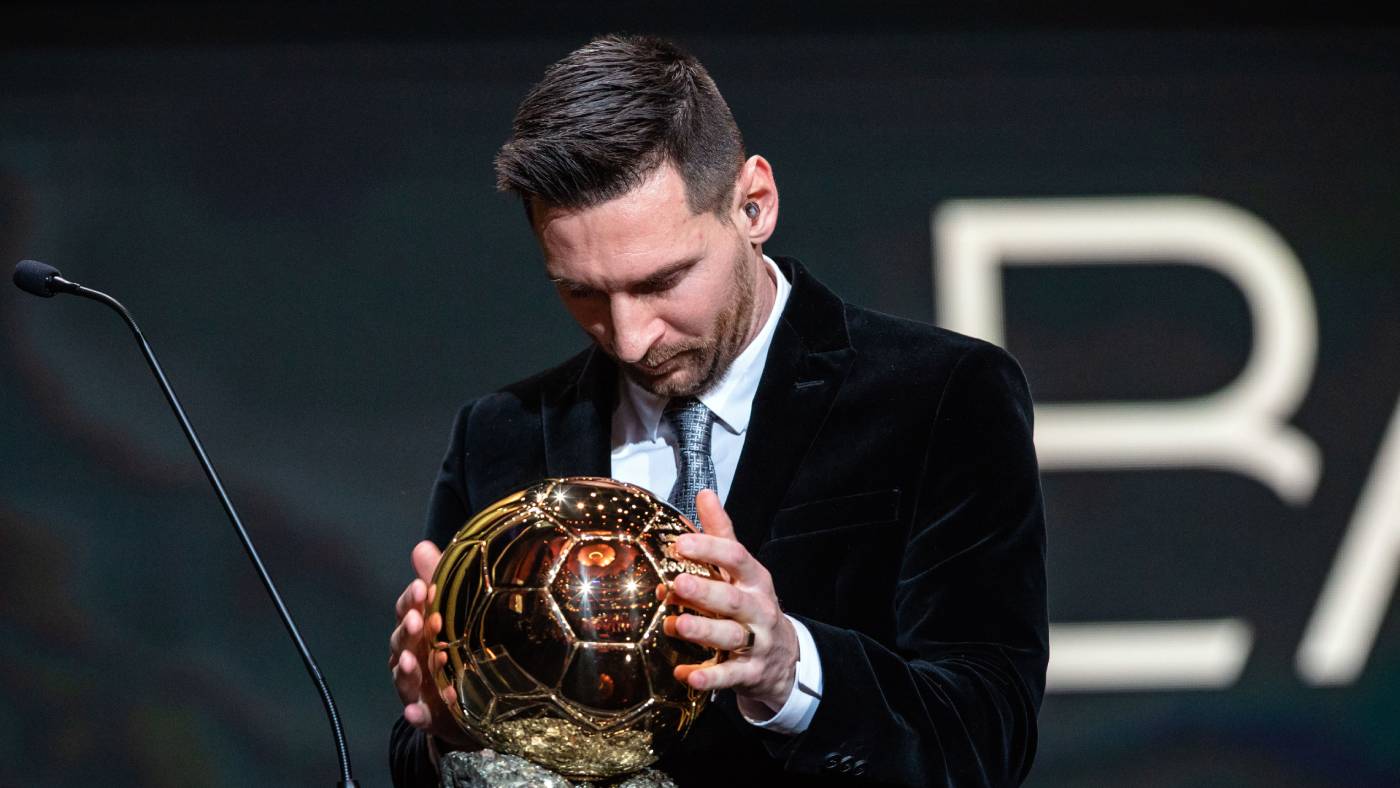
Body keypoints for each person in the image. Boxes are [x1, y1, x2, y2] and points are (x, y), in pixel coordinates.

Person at [388, 34, 1047, 787]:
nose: (629, 338)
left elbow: (987, 736)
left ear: (753, 205)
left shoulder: (941, 395)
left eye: (661, 281)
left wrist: (790, 670)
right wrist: (448, 728)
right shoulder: (497, 436)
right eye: (581, 292)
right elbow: (419, 757)